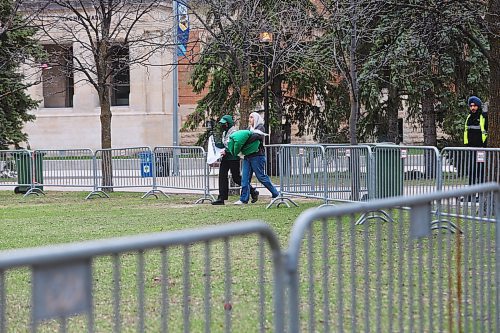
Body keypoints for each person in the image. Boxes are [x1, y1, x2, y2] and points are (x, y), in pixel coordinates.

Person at [211, 115, 258, 205]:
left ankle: (253, 191)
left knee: (236, 178)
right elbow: (224, 144)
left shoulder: (234, 131)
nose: (223, 125)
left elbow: (236, 144)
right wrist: (215, 145)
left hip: (233, 157)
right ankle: (221, 198)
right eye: (222, 124)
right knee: (222, 176)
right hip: (225, 157)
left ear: (228, 123)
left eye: (224, 124)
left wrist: (226, 150)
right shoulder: (225, 132)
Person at [234, 112, 279, 205]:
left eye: (251, 117)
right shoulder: (248, 129)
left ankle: (276, 194)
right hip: (247, 157)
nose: (249, 119)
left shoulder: (260, 127)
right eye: (249, 117)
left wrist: (246, 139)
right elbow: (243, 138)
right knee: (245, 178)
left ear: (256, 118)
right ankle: (243, 199)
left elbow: (256, 136)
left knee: (261, 177)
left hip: (257, 156)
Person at [463, 96, 488, 200]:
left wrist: (484, 145)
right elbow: (466, 132)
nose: (473, 108)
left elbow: (486, 131)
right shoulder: (469, 117)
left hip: (481, 149)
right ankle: (471, 194)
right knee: (472, 171)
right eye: (471, 106)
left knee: (480, 171)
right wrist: (466, 145)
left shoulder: (483, 116)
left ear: (478, 106)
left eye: (475, 106)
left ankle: (481, 195)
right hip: (471, 148)